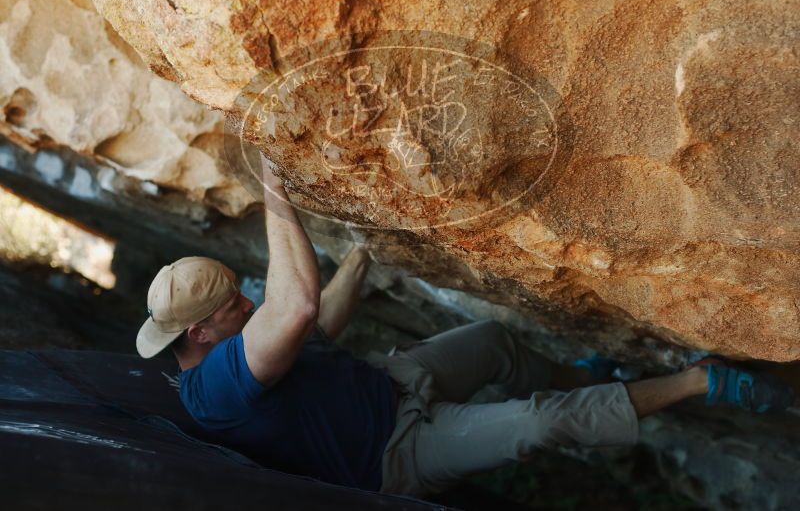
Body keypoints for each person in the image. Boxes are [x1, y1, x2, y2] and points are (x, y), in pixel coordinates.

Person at [136, 154, 795, 498]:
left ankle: (593, 374)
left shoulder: (230, 353)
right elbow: (296, 309)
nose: (247, 306)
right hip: (395, 455)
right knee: (539, 422)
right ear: (198, 334)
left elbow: (321, 326)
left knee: (497, 344)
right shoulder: (214, 390)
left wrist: (365, 253)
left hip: (393, 382)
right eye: (233, 307)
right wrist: (275, 192)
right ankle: (698, 383)